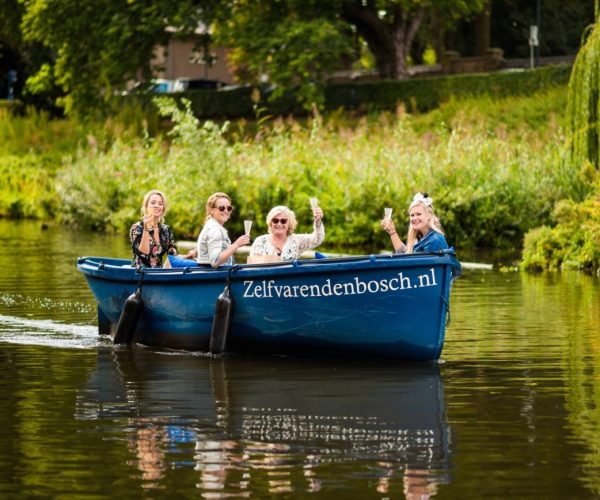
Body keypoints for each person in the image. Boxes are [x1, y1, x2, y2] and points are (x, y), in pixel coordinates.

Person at [249, 204, 325, 262]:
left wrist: (317, 222)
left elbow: (317, 239)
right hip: (265, 282)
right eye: (275, 220)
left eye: (283, 221)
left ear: (289, 224)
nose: (279, 224)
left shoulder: (296, 240)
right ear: (270, 223)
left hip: (289, 282)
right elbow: (252, 267)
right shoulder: (260, 241)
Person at [381, 192, 448, 253]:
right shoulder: (421, 237)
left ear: (429, 215)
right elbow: (406, 254)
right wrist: (392, 232)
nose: (414, 218)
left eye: (418, 214)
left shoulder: (434, 240)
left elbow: (411, 262)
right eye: (412, 215)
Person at [196, 192, 250, 267]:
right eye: (221, 208)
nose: (226, 211)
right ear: (211, 210)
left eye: (229, 208)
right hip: (215, 277)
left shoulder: (213, 226)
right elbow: (215, 260)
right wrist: (237, 244)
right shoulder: (214, 230)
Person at [130, 189, 177, 268]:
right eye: (153, 203)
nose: (157, 206)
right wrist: (146, 229)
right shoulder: (137, 228)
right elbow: (144, 253)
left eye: (160, 204)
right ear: (146, 206)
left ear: (163, 209)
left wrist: (188, 256)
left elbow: (173, 254)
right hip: (140, 272)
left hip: (158, 273)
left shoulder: (166, 229)